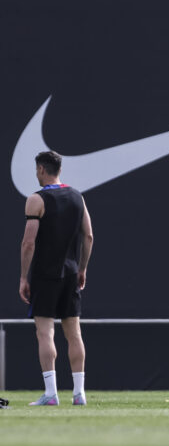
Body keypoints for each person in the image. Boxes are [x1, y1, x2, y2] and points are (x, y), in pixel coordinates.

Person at [19, 151, 94, 406]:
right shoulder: (77, 197)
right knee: (74, 334)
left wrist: (22, 278)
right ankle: (79, 393)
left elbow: (28, 243)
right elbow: (89, 237)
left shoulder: (36, 200)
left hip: (45, 275)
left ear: (41, 169)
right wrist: (82, 268)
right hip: (71, 273)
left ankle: (51, 393)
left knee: (45, 333)